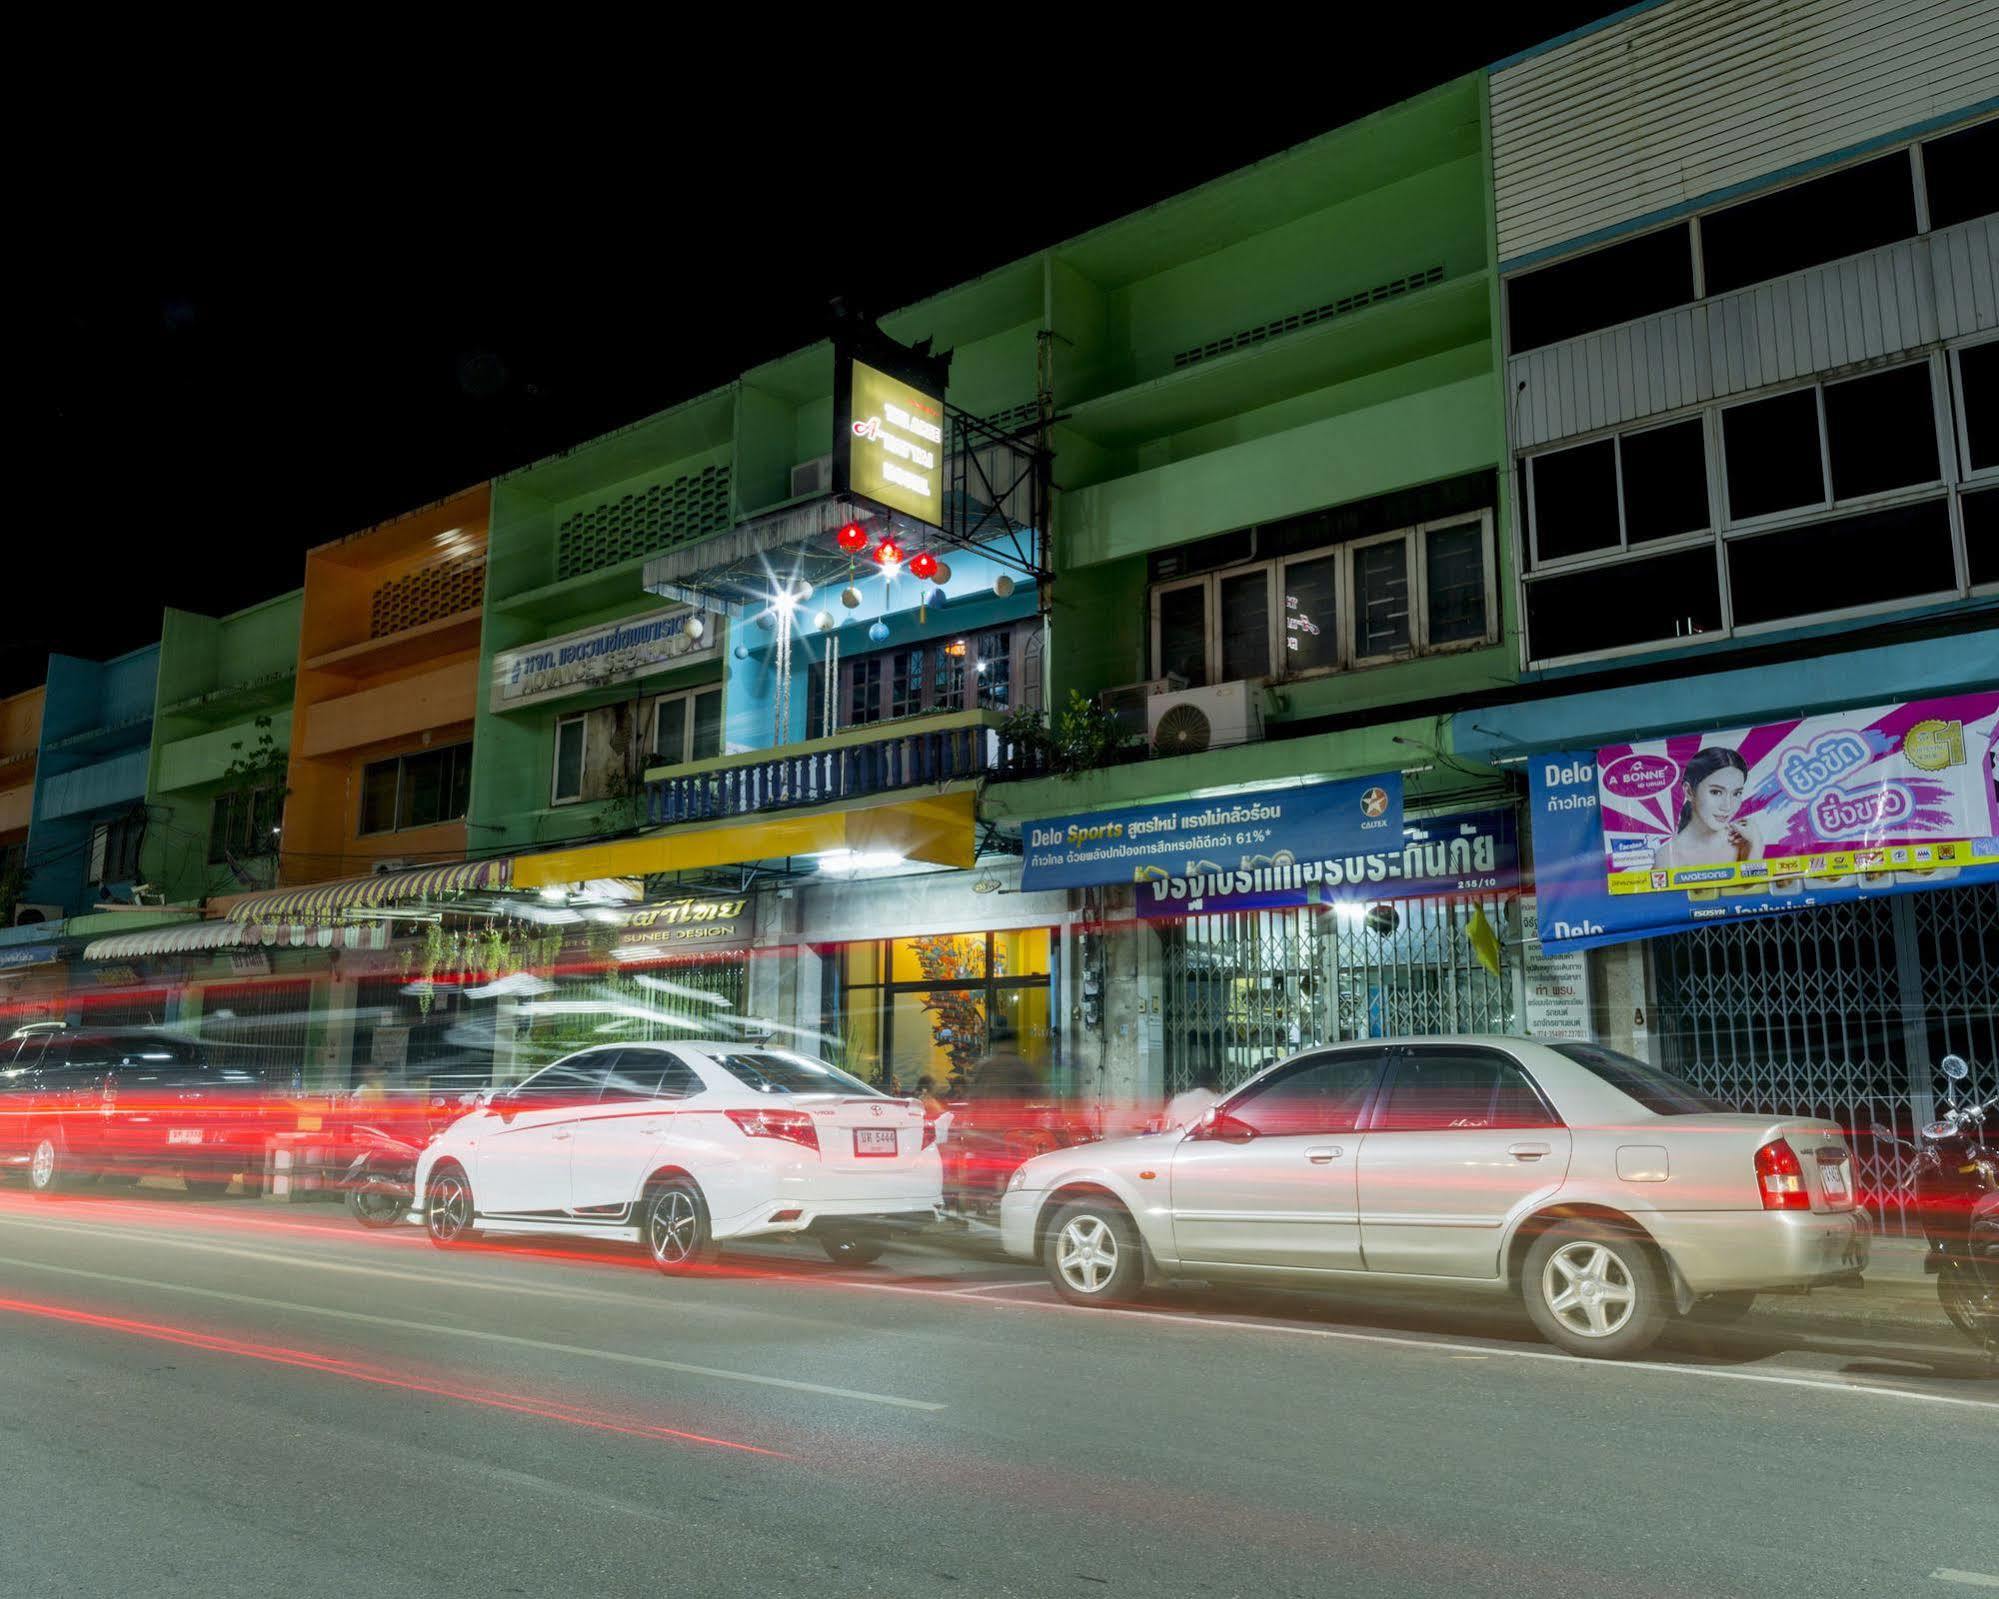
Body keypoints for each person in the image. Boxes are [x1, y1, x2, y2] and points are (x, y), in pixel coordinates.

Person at [1649, 746, 1764, 872]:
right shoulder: (1667, 857)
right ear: (1689, 791)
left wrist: (1755, 845)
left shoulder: (1745, 841)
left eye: (1736, 793)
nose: (1727, 806)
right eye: (1716, 792)